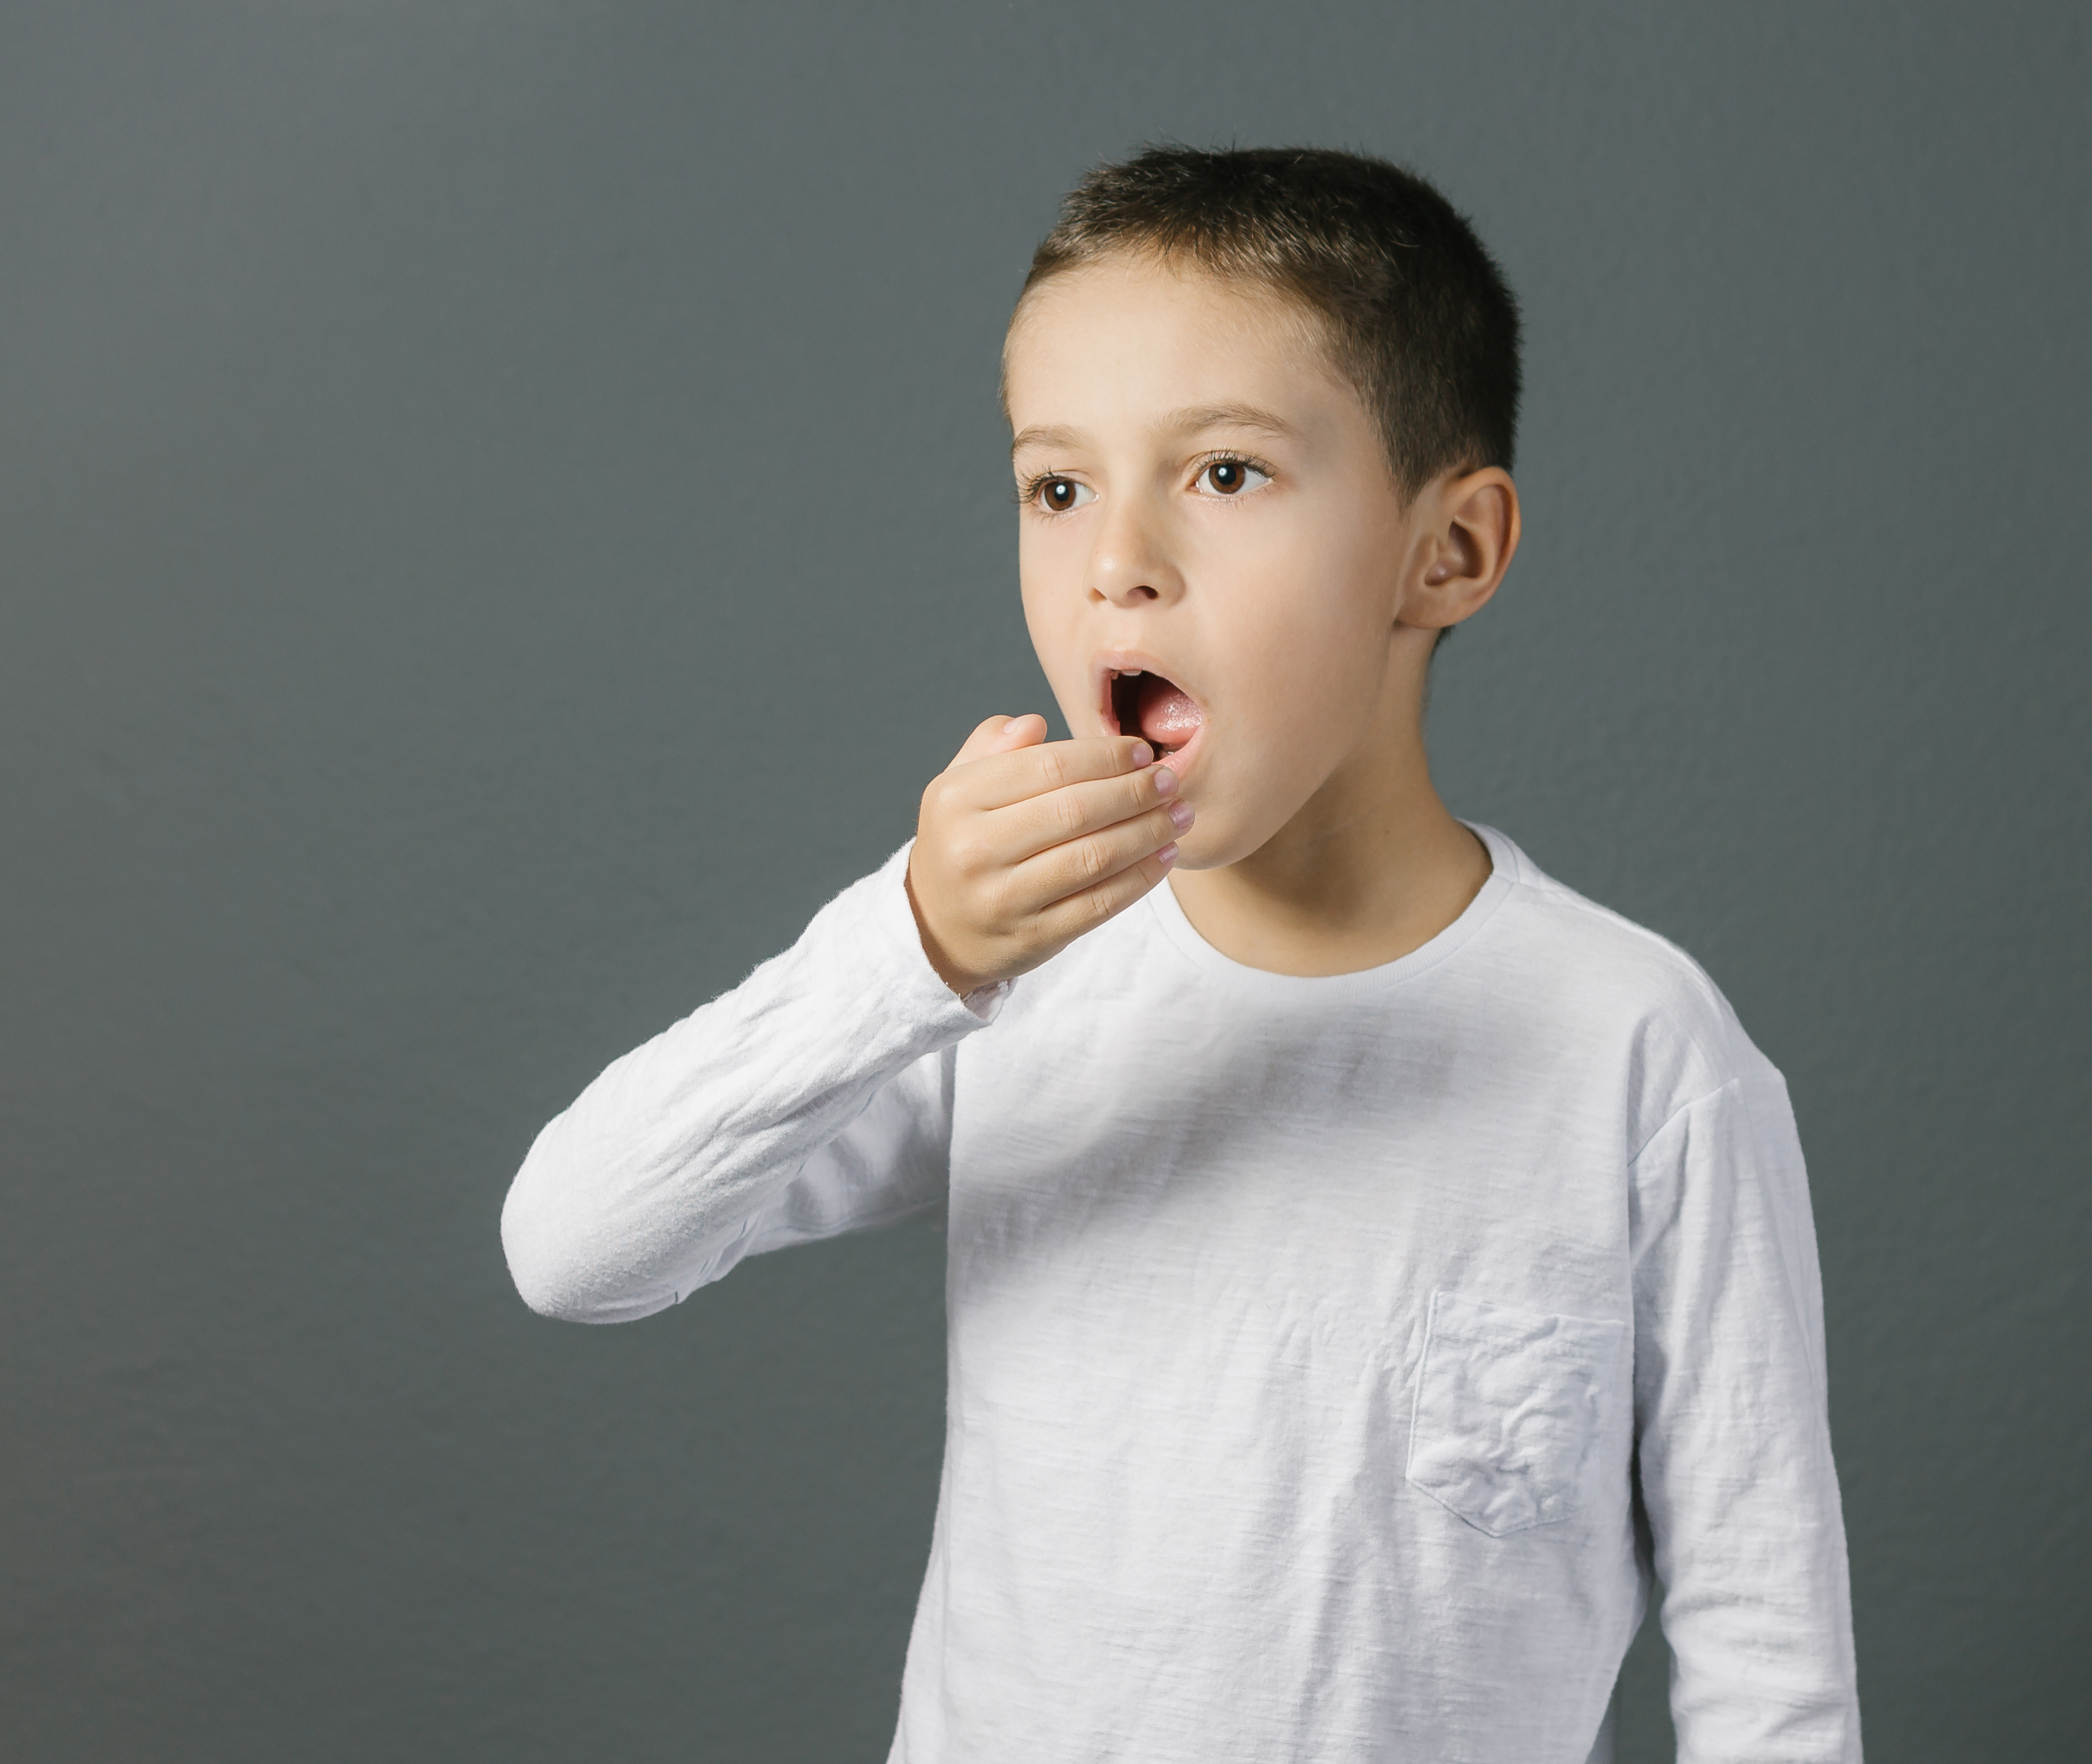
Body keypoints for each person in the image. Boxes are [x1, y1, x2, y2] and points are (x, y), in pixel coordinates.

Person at [501, 145, 1860, 1764]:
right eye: (1055, 485)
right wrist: (913, 945)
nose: (1115, 558)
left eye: (1224, 472)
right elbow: (573, 1243)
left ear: (1452, 550)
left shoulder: (1635, 1048)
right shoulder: (1000, 984)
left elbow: (1767, 1657)